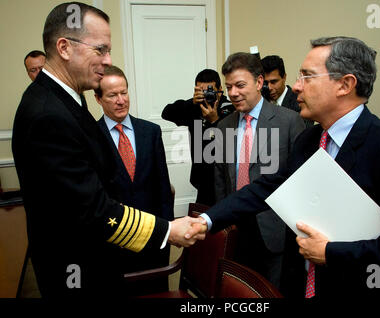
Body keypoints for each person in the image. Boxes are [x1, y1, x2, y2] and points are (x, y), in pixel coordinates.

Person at [194, 37, 380, 299]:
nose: (297, 87)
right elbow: (268, 187)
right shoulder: (308, 141)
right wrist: (206, 221)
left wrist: (330, 252)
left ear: (345, 84)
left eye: (307, 76)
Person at [12, 2, 205, 297]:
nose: (108, 60)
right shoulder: (47, 114)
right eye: (100, 50)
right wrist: (168, 230)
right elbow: (92, 210)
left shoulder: (65, 100)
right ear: (64, 47)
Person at [213, 52, 305, 288]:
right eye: (229, 86)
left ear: (259, 82)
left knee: (272, 290)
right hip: (235, 226)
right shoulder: (224, 126)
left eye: (240, 85)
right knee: (238, 288)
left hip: (274, 228)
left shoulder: (289, 122)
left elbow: (300, 179)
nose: (233, 93)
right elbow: (220, 178)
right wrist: (224, 218)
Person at [95, 65, 173, 295]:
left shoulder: (151, 131)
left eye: (124, 92)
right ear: (98, 98)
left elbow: (162, 186)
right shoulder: (91, 137)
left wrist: (167, 230)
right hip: (114, 240)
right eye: (112, 95)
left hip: (153, 236)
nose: (121, 100)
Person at [162, 69, 234, 206]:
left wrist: (215, 121)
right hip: (202, 178)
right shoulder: (194, 108)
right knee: (203, 221)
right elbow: (166, 113)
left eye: (211, 90)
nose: (208, 95)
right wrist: (193, 102)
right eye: (203, 91)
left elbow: (229, 143)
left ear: (220, 89)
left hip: (225, 177)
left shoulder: (230, 108)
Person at [261, 55, 314, 128]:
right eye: (266, 83)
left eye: (274, 82)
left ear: (284, 77)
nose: (269, 87)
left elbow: (303, 135)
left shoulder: (301, 104)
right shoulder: (261, 102)